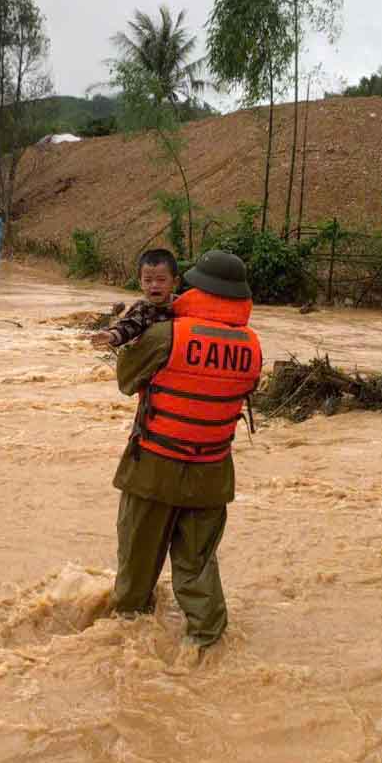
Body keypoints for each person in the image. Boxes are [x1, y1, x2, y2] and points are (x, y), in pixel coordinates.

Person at [108, 250, 263, 655]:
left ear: (198, 289)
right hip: (212, 471)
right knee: (198, 566)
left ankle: (126, 645)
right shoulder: (252, 346)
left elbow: (127, 381)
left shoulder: (167, 334)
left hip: (154, 467)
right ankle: (207, 644)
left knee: (137, 567)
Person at [91, 249, 179, 350]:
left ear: (175, 282)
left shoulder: (184, 305)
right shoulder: (142, 308)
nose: (154, 285)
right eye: (148, 280)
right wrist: (112, 336)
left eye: (161, 280)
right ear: (141, 284)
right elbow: (128, 326)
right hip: (150, 359)